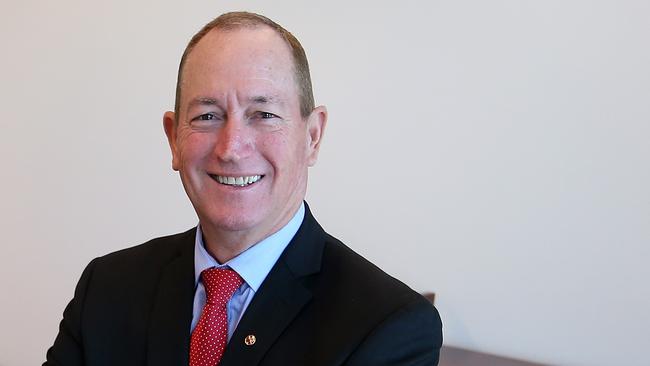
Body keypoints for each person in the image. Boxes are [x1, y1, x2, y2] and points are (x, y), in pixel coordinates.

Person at [44, 11, 442, 366]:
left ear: (313, 136)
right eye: (208, 115)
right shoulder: (107, 288)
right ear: (173, 139)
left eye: (264, 114)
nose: (231, 148)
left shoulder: (388, 327)